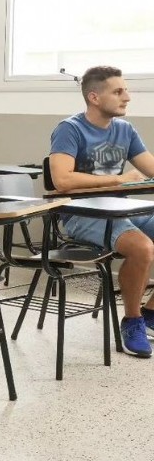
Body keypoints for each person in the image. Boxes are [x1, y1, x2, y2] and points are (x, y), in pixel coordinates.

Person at [49, 65, 154, 358]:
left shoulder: (125, 130)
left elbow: (150, 169)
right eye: (118, 91)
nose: (127, 97)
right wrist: (119, 179)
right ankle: (132, 322)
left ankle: (150, 314)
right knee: (142, 248)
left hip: (121, 211)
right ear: (94, 97)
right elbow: (62, 180)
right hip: (82, 215)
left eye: (126, 90)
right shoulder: (69, 129)